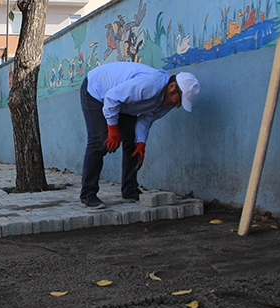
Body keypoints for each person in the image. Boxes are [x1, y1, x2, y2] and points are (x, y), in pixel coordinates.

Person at [79, 62, 200, 208]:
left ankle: (129, 190)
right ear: (173, 87)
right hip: (97, 91)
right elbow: (112, 97)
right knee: (99, 142)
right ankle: (88, 194)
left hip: (123, 104)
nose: (178, 105)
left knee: (133, 143)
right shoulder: (149, 85)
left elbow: (146, 120)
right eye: (179, 100)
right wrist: (112, 128)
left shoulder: (166, 104)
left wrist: (141, 143)